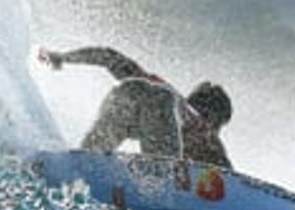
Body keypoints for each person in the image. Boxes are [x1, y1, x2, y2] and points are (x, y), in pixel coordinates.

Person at [37, 45, 233, 168]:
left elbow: (109, 56)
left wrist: (62, 57)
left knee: (86, 165)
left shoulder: (168, 92)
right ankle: (159, 179)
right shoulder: (202, 128)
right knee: (162, 180)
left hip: (125, 92)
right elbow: (233, 182)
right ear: (214, 119)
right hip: (159, 102)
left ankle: (74, 168)